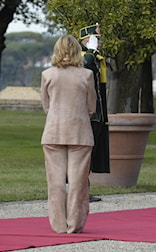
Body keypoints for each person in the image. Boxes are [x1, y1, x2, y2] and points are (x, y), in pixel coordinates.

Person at [40, 35, 97, 233]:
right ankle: (75, 224)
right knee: (78, 182)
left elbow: (46, 105)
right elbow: (91, 107)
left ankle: (58, 225)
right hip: (79, 132)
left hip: (53, 132)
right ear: (76, 51)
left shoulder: (47, 75)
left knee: (55, 182)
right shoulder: (87, 75)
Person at [79, 23, 111, 203]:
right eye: (95, 39)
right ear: (86, 40)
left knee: (91, 153)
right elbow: (87, 69)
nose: (99, 43)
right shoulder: (84, 57)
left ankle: (84, 189)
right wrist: (90, 51)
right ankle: (81, 190)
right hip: (87, 114)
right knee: (84, 153)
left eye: (98, 39)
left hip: (97, 114)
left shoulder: (95, 57)